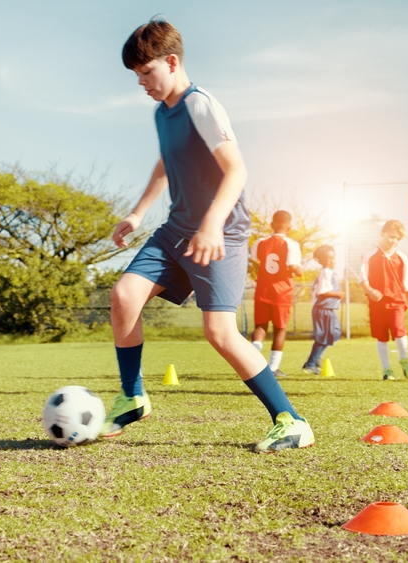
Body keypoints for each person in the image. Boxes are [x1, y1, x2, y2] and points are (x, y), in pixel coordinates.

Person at [103, 19, 314, 453]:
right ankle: (133, 397)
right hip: (176, 230)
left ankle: (290, 420)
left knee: (219, 332)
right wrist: (137, 212)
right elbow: (166, 164)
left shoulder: (201, 105)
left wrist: (213, 223)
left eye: (146, 72)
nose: (141, 82)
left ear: (172, 61)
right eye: (136, 75)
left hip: (222, 233)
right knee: (124, 296)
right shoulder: (162, 112)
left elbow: (237, 170)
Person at [358, 220, 408, 381]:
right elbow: (362, 279)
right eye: (391, 236)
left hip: (397, 301)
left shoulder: (402, 257)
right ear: (383, 234)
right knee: (381, 337)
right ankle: (387, 369)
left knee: (398, 328)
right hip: (377, 303)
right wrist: (371, 291)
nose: (393, 240)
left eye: (397, 238)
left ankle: (404, 358)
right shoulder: (370, 255)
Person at [250, 210, 302, 378]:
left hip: (263, 290)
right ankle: (272, 368)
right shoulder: (291, 244)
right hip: (282, 292)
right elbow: (294, 267)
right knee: (280, 329)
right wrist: (300, 271)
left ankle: (253, 364)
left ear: (272, 224)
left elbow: (255, 258)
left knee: (260, 326)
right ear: (290, 226)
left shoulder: (260, 242)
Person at [302, 245, 342, 375]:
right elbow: (322, 292)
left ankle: (316, 358)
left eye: (333, 258)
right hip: (324, 309)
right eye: (328, 259)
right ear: (321, 261)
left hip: (328, 309)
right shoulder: (325, 272)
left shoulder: (329, 272)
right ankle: (310, 364)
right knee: (324, 337)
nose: (331, 261)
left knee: (333, 333)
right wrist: (338, 294)